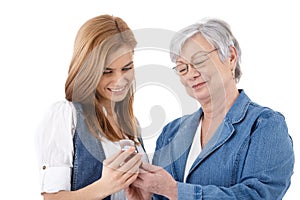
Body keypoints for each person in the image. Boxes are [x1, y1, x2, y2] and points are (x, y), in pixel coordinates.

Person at [131, 18, 295, 199]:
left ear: (231, 57)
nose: (191, 74)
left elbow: (259, 195)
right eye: (182, 68)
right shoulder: (171, 132)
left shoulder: (264, 125)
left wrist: (176, 191)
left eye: (200, 61)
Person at [35, 14, 148, 200]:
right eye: (107, 72)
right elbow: (52, 198)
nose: (119, 80)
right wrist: (104, 187)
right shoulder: (66, 116)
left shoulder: (132, 125)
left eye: (127, 68)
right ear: (87, 69)